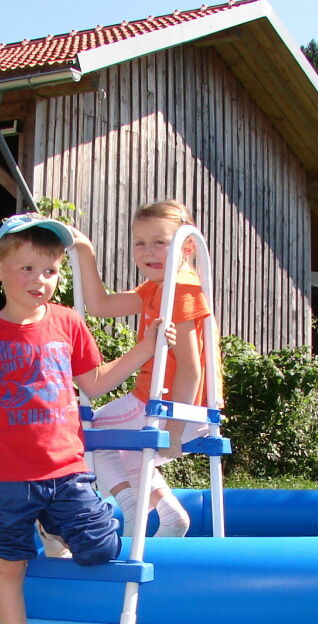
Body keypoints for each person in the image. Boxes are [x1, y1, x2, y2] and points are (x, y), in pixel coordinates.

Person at [0, 213, 173, 624]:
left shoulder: (67, 322)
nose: (41, 281)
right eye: (28, 269)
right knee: (8, 568)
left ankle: (53, 526)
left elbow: (95, 382)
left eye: (51, 271)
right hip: (8, 478)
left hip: (65, 471)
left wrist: (146, 348)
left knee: (101, 549)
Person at [71, 200, 218, 538]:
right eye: (139, 242)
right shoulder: (157, 287)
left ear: (188, 247)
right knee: (130, 453)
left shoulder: (181, 290)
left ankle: (132, 511)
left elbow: (191, 370)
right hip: (164, 403)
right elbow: (101, 306)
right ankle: (170, 516)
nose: (147, 251)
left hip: (176, 406)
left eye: (159, 242)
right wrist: (84, 251)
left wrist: (174, 430)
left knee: (86, 434)